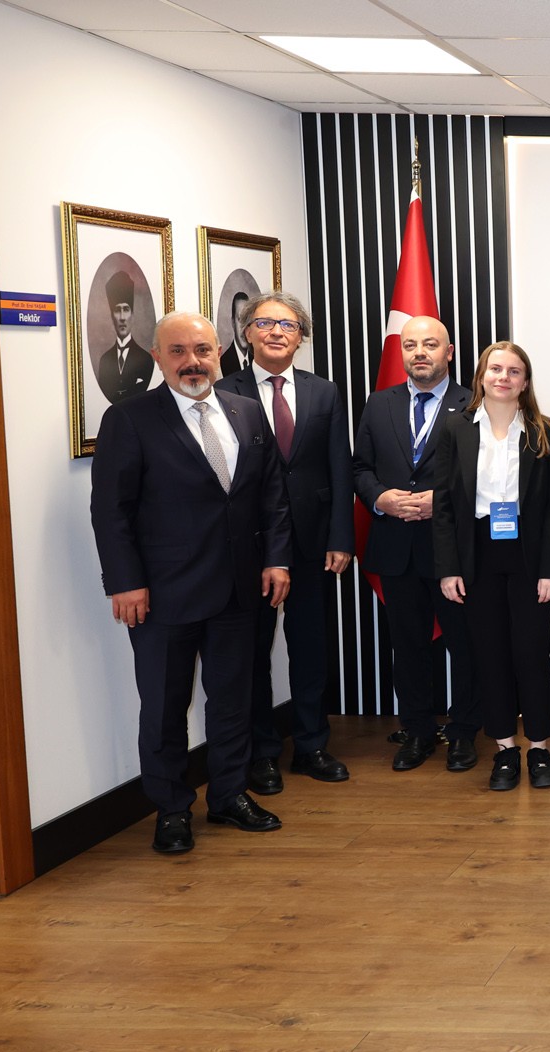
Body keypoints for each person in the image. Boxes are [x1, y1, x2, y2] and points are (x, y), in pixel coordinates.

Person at [89, 312, 292, 854]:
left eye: (202, 350)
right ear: (158, 357)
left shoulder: (246, 411)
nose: (191, 362)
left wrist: (277, 559)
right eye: (177, 351)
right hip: (162, 595)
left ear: (219, 352)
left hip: (239, 589)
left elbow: (271, 494)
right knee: (164, 707)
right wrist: (125, 582)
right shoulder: (129, 419)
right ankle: (172, 809)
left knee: (233, 701)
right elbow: (110, 510)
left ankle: (229, 796)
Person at [213, 292, 353, 792]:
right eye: (265, 323)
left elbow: (339, 466)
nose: (276, 332)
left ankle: (312, 745)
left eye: (288, 325)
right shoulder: (221, 390)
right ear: (247, 333)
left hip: (315, 542)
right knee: (251, 651)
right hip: (250, 544)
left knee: (312, 646)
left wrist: (341, 536)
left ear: (301, 338)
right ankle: (262, 752)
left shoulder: (324, 392)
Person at [434, 342, 550, 791]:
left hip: (530, 556)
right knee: (489, 655)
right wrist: (449, 568)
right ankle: (505, 750)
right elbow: (444, 506)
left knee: (531, 655)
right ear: (481, 376)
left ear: (525, 382)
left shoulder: (545, 431)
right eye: (495, 369)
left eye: (514, 371)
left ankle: (539, 749)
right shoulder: (456, 428)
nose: (503, 378)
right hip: (477, 555)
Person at [353, 314, 479, 773]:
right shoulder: (378, 403)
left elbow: (487, 473)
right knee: (407, 647)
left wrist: (441, 499)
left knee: (466, 646)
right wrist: (380, 498)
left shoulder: (474, 403)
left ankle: (464, 732)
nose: (419, 353)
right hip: (396, 546)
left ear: (449, 352)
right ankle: (418, 731)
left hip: (453, 551)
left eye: (430, 344)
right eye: (410, 345)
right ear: (401, 352)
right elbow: (360, 467)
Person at [95, 270, 154, 404]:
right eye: (117, 310)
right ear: (112, 316)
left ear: (132, 315)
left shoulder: (145, 359)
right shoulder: (105, 360)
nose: (122, 317)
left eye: (126, 310)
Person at [220, 288, 253, 379]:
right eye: (240, 319)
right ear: (233, 322)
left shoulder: (258, 360)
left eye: (247, 320)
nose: (244, 327)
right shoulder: (223, 362)